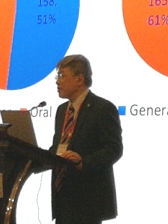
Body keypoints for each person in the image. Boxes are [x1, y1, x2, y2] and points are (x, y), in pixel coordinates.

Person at [49, 54, 123, 224]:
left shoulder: (102, 108)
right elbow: (58, 146)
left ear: (79, 79)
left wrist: (84, 162)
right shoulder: (62, 110)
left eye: (62, 76)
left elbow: (114, 149)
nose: (57, 82)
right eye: (57, 76)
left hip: (89, 198)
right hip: (63, 196)